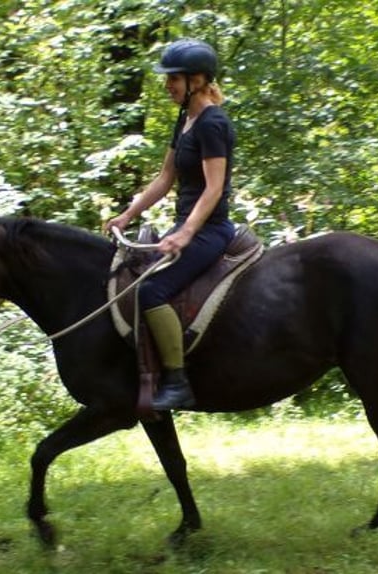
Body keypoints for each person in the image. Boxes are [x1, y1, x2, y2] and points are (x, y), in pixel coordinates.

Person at [104, 39, 236, 410]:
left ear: (196, 79)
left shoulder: (213, 122)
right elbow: (165, 179)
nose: (168, 86)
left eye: (173, 79)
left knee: (152, 292)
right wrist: (128, 214)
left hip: (210, 231)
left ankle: (177, 382)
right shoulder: (186, 120)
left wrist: (186, 232)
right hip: (189, 225)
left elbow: (213, 190)